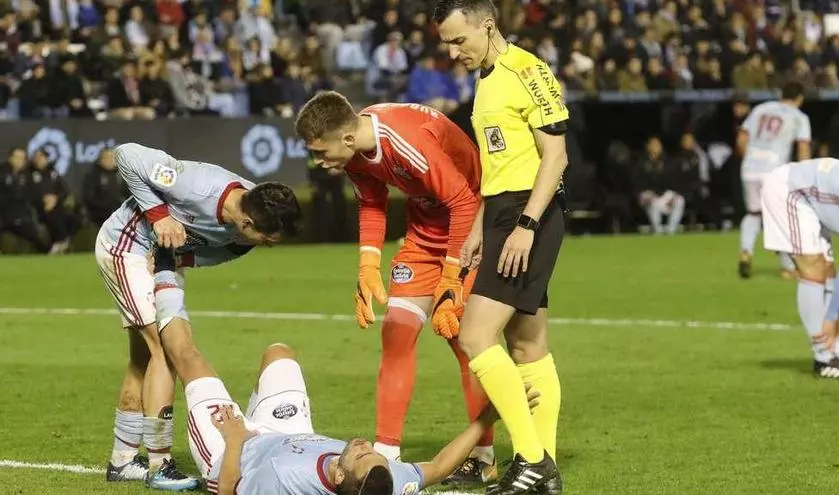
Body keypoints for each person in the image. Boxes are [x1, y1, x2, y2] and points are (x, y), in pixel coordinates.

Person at [148, 259, 537, 495]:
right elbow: (436, 468)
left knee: (189, 358)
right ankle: (255, 408)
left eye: (360, 454)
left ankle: (165, 272)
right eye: (372, 453)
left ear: (337, 476)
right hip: (289, 433)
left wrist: (235, 437)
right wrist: (490, 415)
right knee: (279, 353)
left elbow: (229, 490)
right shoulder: (380, 480)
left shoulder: (285, 480)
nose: (365, 445)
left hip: (235, 451)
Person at [294, 91, 496, 484]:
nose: (318, 161)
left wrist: (451, 280)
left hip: (471, 234)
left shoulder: (406, 142)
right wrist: (367, 265)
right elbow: (372, 203)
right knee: (397, 332)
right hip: (424, 235)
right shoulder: (354, 152)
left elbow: (463, 202)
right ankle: (386, 454)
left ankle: (483, 457)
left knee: (463, 341)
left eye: (320, 152)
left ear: (346, 138)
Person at [97, 143, 300, 490]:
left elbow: (232, 248)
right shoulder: (195, 185)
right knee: (167, 350)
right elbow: (126, 154)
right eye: (264, 239)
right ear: (246, 222)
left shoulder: (254, 213)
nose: (263, 244)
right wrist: (159, 216)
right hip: (127, 247)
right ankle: (159, 464)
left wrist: (182, 260)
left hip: (162, 259)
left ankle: (123, 460)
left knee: (143, 359)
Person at [434, 0, 567, 492]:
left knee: (475, 336)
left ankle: (531, 458)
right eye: (447, 44)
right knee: (528, 345)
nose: (453, 52)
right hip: (503, 213)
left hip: (529, 213)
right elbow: (498, 165)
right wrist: (478, 229)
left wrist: (526, 224)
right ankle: (543, 470)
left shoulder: (528, 70)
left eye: (459, 40)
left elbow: (556, 156)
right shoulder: (485, 78)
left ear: (487, 25)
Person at [761, 157, 839, 379]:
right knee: (814, 269)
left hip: (812, 197)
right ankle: (824, 358)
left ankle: (836, 355)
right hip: (789, 189)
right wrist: (832, 315)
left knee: (828, 272)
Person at [736, 81, 811, 279]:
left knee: (753, 214)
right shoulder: (799, 117)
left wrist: (750, 159)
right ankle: (788, 267)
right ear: (800, 98)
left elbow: (741, 140)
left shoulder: (760, 109)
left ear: (781, 94)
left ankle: (746, 251)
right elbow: (803, 148)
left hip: (750, 168)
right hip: (774, 170)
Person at [0, 148, 51, 253]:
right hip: (3, 213)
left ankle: (48, 251)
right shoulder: (2, 172)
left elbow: (34, 194)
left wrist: (45, 201)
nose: (21, 161)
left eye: (23, 158)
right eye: (18, 158)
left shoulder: (27, 175)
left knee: (33, 235)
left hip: (19, 215)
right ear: (10, 158)